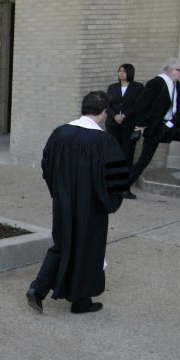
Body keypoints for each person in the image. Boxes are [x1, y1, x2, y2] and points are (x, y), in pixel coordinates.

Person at [26, 91, 130, 315]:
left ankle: (37, 289)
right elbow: (116, 178)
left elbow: (47, 166)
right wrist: (108, 201)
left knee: (62, 245)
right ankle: (81, 302)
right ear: (102, 113)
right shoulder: (104, 141)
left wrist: (59, 192)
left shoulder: (60, 133)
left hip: (64, 203)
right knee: (89, 249)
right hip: (91, 208)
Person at [127, 58, 180, 198]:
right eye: (179, 70)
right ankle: (124, 187)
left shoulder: (176, 84)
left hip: (171, 125)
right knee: (145, 159)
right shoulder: (156, 83)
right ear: (170, 70)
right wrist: (141, 125)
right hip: (156, 127)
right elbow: (141, 104)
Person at [106, 63, 144, 198]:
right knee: (113, 153)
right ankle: (111, 185)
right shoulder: (112, 87)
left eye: (124, 71)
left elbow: (138, 105)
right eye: (119, 71)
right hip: (113, 125)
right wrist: (115, 115)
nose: (121, 73)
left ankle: (124, 188)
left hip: (129, 125)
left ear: (130, 73)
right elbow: (107, 105)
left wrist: (125, 115)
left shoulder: (138, 87)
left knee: (127, 154)